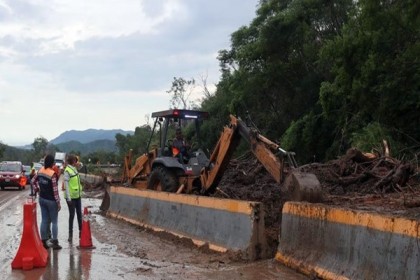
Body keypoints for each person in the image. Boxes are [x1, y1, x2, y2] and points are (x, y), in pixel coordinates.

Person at [31, 154, 62, 250]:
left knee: (44, 220)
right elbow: (55, 190)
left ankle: (44, 241)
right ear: (52, 163)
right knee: (54, 221)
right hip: (51, 201)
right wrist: (58, 203)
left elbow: (32, 181)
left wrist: (37, 189)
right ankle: (55, 242)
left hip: (42, 199)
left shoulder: (40, 171)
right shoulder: (52, 174)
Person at [63, 154, 83, 242]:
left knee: (79, 215)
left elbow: (81, 166)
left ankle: (81, 232)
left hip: (78, 196)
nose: (76, 162)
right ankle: (70, 235)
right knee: (72, 215)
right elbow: (66, 185)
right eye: (75, 160)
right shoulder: (67, 171)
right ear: (73, 161)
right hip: (71, 197)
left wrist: (79, 163)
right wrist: (68, 198)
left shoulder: (74, 169)